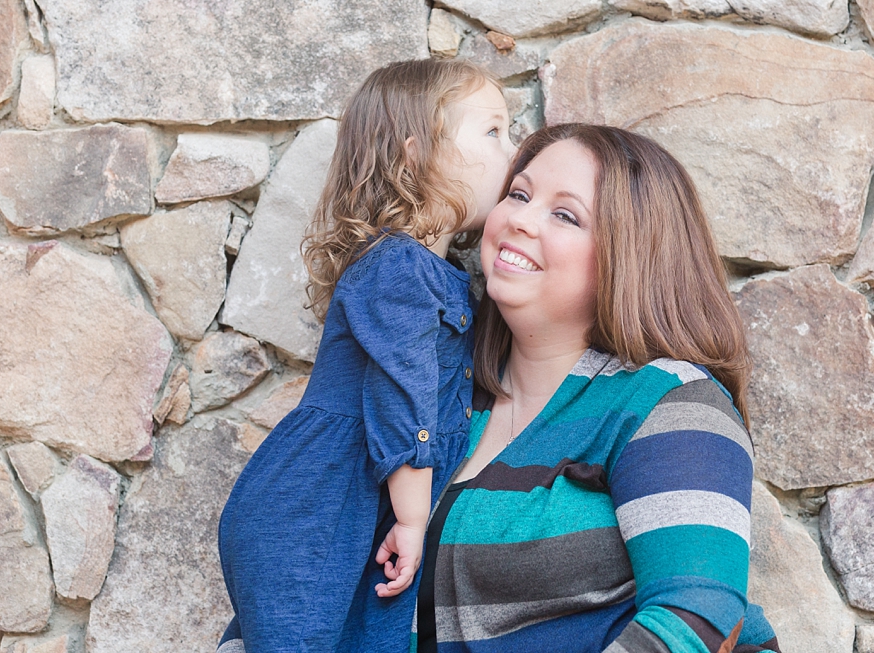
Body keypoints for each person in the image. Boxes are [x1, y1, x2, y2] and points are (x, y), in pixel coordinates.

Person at [412, 123, 782, 653]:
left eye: (565, 214)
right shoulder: (441, 393)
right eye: (518, 194)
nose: (519, 218)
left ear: (628, 255)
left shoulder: (666, 401)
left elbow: (699, 614)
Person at [217, 58, 517, 653]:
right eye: (492, 131)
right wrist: (412, 519)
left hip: (350, 507)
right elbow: (401, 396)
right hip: (313, 506)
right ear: (416, 157)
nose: (513, 149)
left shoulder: (441, 273)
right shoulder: (398, 268)